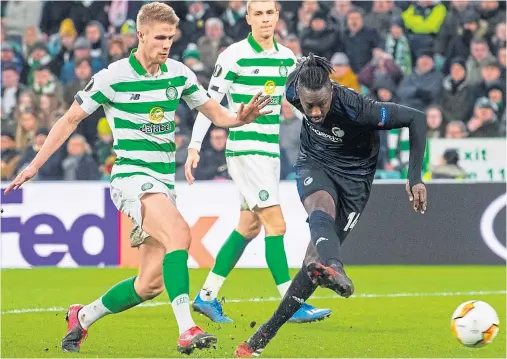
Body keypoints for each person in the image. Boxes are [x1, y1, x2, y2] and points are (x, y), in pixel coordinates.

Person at [4, 2, 272, 355]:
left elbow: (213, 112)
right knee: (180, 234)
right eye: (160, 37)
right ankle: (186, 329)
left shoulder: (178, 73)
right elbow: (69, 120)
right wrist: (35, 165)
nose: (166, 45)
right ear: (140, 35)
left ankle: (82, 317)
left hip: (163, 183)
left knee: (149, 285)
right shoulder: (112, 76)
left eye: (171, 38)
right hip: (131, 177)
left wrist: (240, 118)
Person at [234, 54, 428, 357]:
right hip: (316, 163)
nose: (314, 112)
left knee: (312, 263)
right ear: (297, 93)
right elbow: (300, 76)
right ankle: (336, 267)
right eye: (307, 104)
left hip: (355, 179)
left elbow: (417, 118)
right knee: (319, 206)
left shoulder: (358, 108)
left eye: (321, 104)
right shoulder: (292, 91)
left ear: (331, 90)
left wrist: (414, 176)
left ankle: (260, 338)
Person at [184, 0, 330, 324]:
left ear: (277, 16)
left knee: (248, 226)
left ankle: (206, 296)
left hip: (269, 152)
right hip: (246, 150)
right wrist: (194, 145)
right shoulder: (233, 56)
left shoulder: (286, 58)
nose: (265, 19)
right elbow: (209, 103)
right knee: (276, 225)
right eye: (258, 13)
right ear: (248, 17)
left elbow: (299, 105)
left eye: (270, 13)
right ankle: (291, 304)